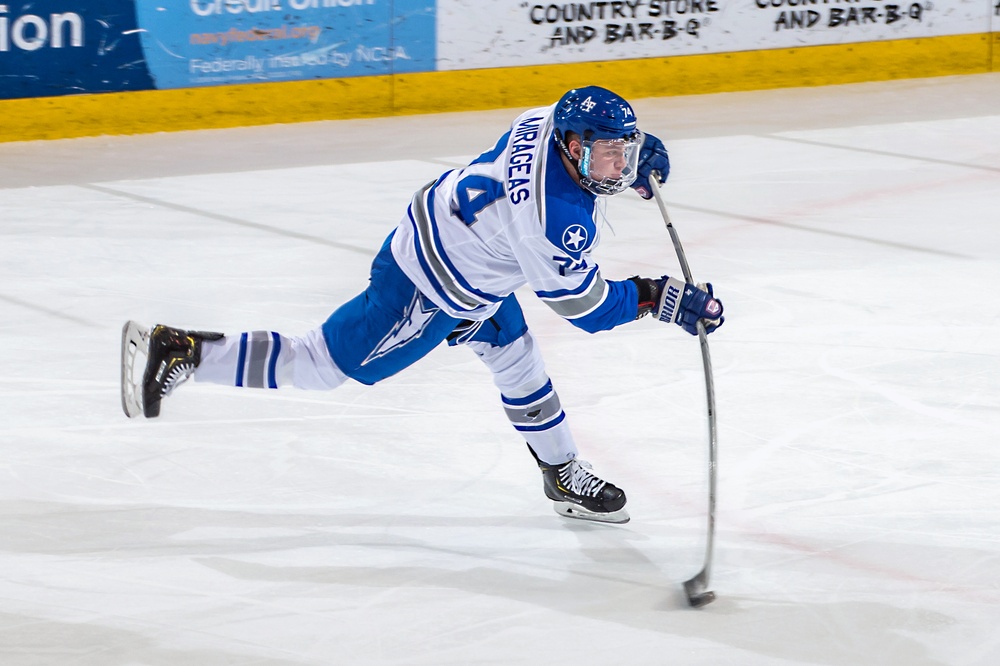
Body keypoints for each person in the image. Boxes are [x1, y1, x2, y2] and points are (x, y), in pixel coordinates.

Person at [121, 86, 724, 524]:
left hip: (457, 249)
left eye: (624, 150)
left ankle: (561, 471)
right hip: (431, 289)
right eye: (608, 155)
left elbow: (587, 155)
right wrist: (658, 298)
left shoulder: (546, 119)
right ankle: (183, 352)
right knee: (322, 365)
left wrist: (636, 158)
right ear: (573, 146)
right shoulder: (552, 220)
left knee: (517, 358)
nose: (618, 168)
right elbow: (586, 308)